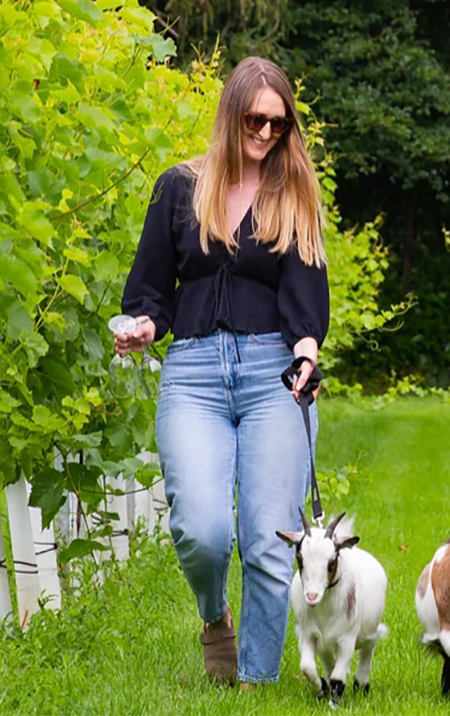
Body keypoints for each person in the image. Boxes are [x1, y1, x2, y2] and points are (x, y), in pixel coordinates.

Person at [116, 56, 328, 688]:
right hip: (194, 373)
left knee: (268, 537)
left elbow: (307, 298)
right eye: (254, 119)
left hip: (272, 370)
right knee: (201, 528)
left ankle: (255, 683)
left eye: (278, 124)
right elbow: (149, 287)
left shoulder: (293, 195)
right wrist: (144, 326)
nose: (265, 133)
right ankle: (215, 616)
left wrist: (306, 356)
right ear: (230, 112)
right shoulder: (179, 187)